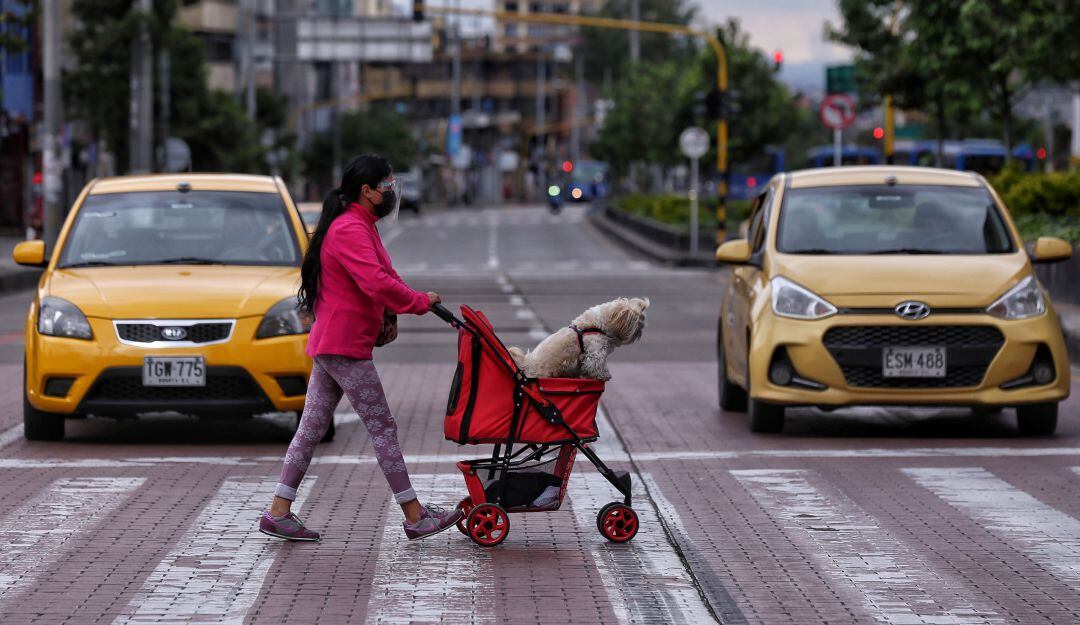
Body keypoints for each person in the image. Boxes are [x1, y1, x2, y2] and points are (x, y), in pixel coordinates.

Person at [259, 154, 463, 542]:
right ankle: (414, 515)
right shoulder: (349, 229)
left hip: (336, 344)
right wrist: (418, 302)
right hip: (344, 346)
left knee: (311, 428)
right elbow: (376, 282)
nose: (391, 192)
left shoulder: (360, 225)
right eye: (386, 186)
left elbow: (386, 275)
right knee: (382, 426)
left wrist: (418, 298)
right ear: (366, 191)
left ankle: (279, 511)